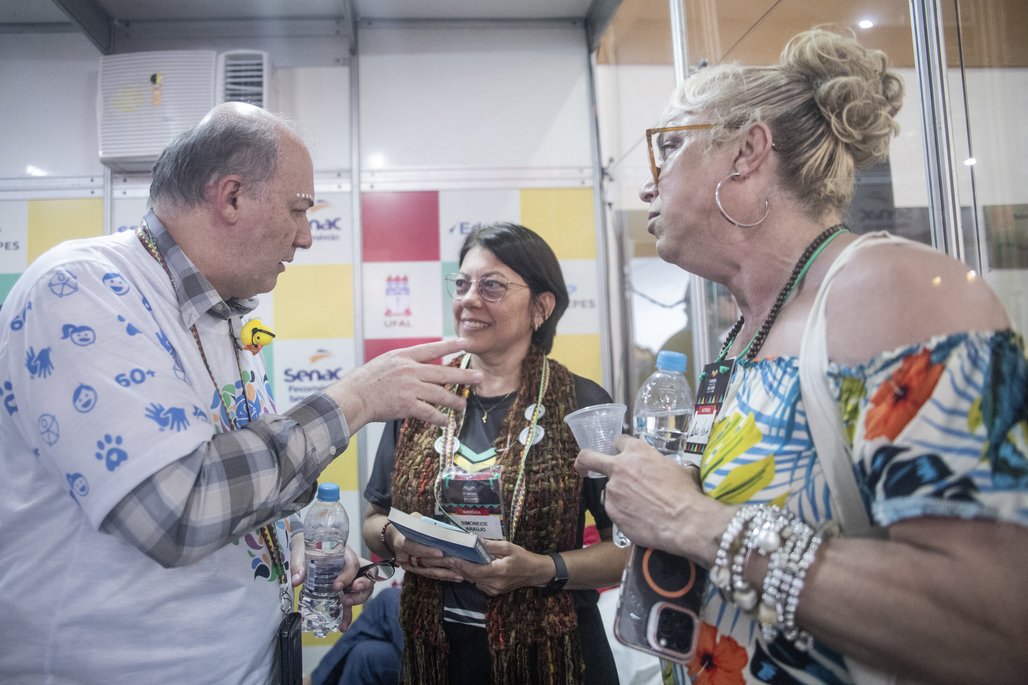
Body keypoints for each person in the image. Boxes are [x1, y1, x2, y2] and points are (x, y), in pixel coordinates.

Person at [578, 28, 1027, 685]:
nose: (648, 186)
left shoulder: (887, 289)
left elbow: (998, 626)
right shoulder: (739, 334)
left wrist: (694, 519)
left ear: (747, 152)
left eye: (668, 148)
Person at [0, 102, 481, 683]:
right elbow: (180, 509)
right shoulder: (82, 287)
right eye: (299, 209)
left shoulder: (220, 318)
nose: (306, 236)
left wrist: (299, 550)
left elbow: (248, 483)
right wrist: (355, 398)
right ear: (231, 197)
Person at [362, 222, 629, 684]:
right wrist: (394, 540)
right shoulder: (419, 396)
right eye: (462, 283)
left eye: (492, 286)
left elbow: (626, 549)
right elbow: (374, 517)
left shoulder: (582, 405)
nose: (468, 299)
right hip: (439, 656)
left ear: (541, 307)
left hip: (556, 657)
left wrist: (540, 570)